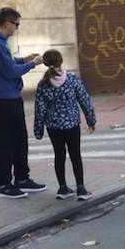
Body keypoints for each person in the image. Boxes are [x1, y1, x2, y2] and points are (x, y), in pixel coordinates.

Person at [0, 6, 43, 199]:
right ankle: (4, 184)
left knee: (19, 139)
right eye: (16, 24)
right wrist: (33, 64)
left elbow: (6, 62)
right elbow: (10, 71)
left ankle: (22, 178)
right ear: (7, 23)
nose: (16, 28)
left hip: (9, 96)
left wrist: (23, 59)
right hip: (3, 98)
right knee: (7, 141)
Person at [32, 49, 97, 201]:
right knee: (75, 155)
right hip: (72, 124)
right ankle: (81, 188)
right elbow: (84, 100)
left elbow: (39, 108)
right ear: (61, 61)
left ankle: (63, 188)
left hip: (53, 126)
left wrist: (39, 130)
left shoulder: (43, 84)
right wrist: (91, 120)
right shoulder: (73, 79)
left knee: (59, 155)